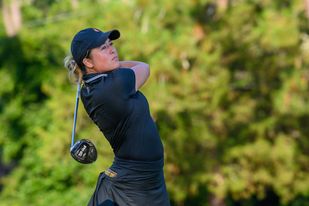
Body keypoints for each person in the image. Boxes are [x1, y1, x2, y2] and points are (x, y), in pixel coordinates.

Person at [64, 28, 170, 206]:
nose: (112, 50)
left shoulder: (94, 86)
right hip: (133, 187)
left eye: (111, 44)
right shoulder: (114, 85)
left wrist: (108, 63)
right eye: (104, 48)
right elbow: (144, 67)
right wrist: (117, 64)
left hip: (146, 180)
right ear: (88, 61)